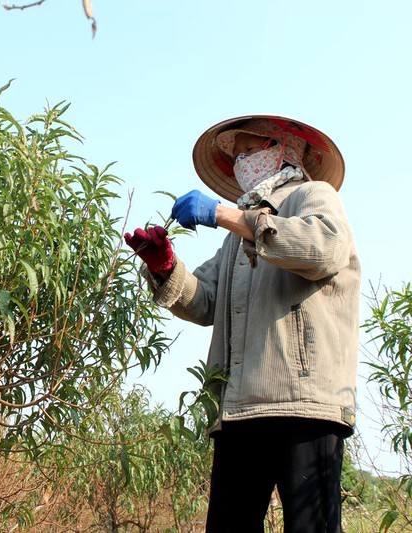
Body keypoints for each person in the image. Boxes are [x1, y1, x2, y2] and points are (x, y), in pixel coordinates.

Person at [125, 115, 360, 532]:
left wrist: (223, 215)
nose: (241, 163)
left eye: (250, 151)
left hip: (302, 402)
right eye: (236, 156)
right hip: (240, 408)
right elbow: (205, 301)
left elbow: (324, 249)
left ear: (284, 148)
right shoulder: (237, 235)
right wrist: (165, 268)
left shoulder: (313, 195)